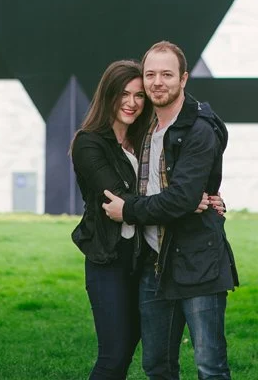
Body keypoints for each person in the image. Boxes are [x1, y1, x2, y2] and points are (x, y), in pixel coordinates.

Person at [103, 40, 238, 380]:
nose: (157, 82)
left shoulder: (199, 128)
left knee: (210, 366)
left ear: (184, 78)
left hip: (198, 260)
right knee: (157, 366)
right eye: (150, 74)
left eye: (166, 74)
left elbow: (181, 199)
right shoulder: (143, 125)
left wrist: (129, 210)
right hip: (154, 261)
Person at [71, 59, 152, 380]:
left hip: (144, 259)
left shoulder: (145, 141)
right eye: (124, 94)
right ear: (108, 95)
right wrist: (178, 204)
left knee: (129, 348)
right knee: (113, 354)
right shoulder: (89, 142)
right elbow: (116, 197)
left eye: (139, 95)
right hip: (108, 260)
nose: (132, 103)